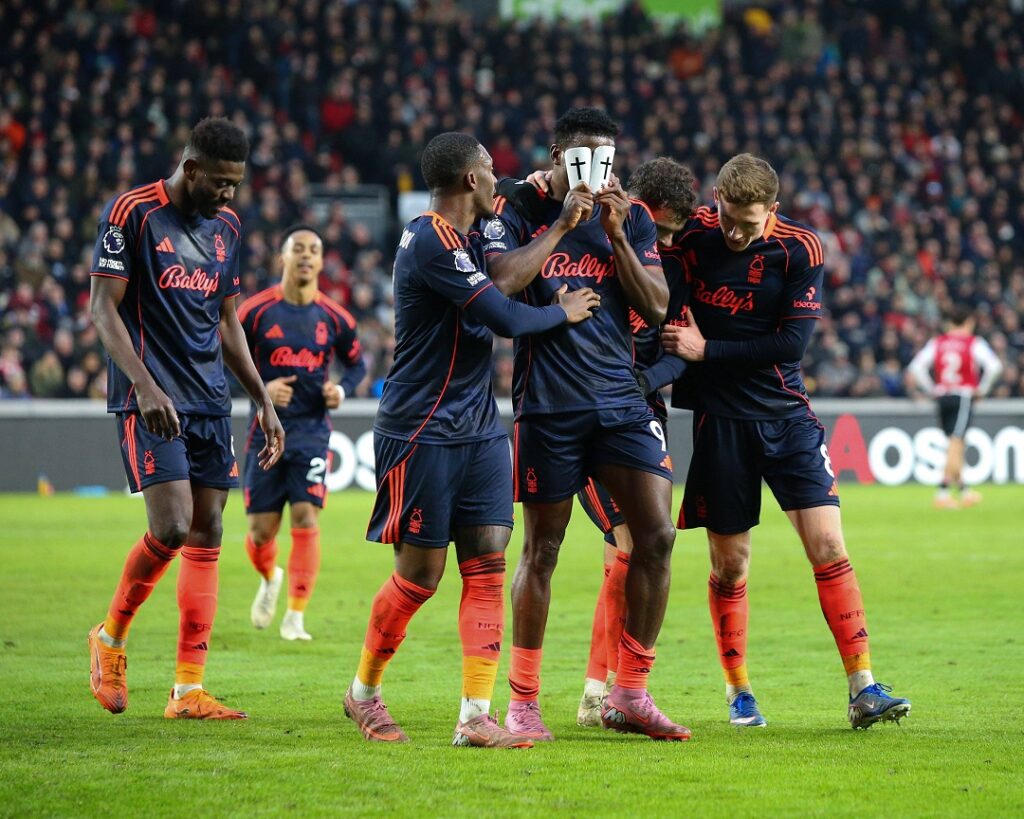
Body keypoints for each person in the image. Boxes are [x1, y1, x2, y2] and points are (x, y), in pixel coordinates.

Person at [344, 132, 600, 748]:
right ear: (469, 180)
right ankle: (363, 693)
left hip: (480, 424)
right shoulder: (430, 239)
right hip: (422, 426)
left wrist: (533, 190)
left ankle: (475, 716)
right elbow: (503, 316)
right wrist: (561, 312)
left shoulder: (472, 231)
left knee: (487, 562)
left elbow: (509, 231)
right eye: (489, 170)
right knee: (420, 576)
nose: (496, 178)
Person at [662, 153, 911, 730]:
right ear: (717, 199)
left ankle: (863, 686)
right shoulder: (693, 233)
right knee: (730, 566)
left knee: (829, 545)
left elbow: (790, 344)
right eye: (729, 218)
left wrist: (706, 351)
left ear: (772, 210)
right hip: (720, 422)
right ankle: (738, 691)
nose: (735, 232)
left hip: (786, 416)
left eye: (749, 223)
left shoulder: (801, 248)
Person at [483, 108, 690, 741]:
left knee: (657, 537)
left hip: (620, 403)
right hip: (548, 405)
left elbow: (658, 307)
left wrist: (617, 235)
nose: (595, 169)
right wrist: (562, 225)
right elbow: (500, 284)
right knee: (542, 550)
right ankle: (523, 703)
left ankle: (629, 692)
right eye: (582, 157)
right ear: (556, 156)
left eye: (606, 158)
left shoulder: (633, 217)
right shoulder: (517, 208)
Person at [87, 117, 285, 720]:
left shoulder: (227, 227)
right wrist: (144, 385)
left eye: (237, 184)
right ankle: (110, 637)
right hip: (153, 399)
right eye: (221, 182)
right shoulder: (133, 213)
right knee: (172, 527)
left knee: (208, 531)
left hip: (209, 400)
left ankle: (187, 690)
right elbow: (102, 309)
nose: (229, 194)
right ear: (191, 168)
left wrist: (261, 398)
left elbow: (227, 321)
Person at [238, 225, 367, 640]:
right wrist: (262, 390)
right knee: (260, 533)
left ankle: (295, 616)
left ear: (321, 260)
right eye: (299, 249)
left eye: (314, 249)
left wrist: (340, 390)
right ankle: (269, 576)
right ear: (284, 257)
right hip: (265, 433)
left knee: (306, 515)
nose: (307, 255)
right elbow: (224, 357)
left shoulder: (336, 317)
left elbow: (357, 365)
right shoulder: (254, 312)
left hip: (312, 431)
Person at [907, 306, 1003, 508]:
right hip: (962, 395)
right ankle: (942, 493)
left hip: (943, 396)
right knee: (956, 442)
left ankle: (965, 491)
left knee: (956, 443)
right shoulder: (973, 342)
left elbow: (916, 367)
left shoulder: (937, 342)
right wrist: (982, 389)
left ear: (949, 323)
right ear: (969, 322)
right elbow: (995, 366)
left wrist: (932, 388)